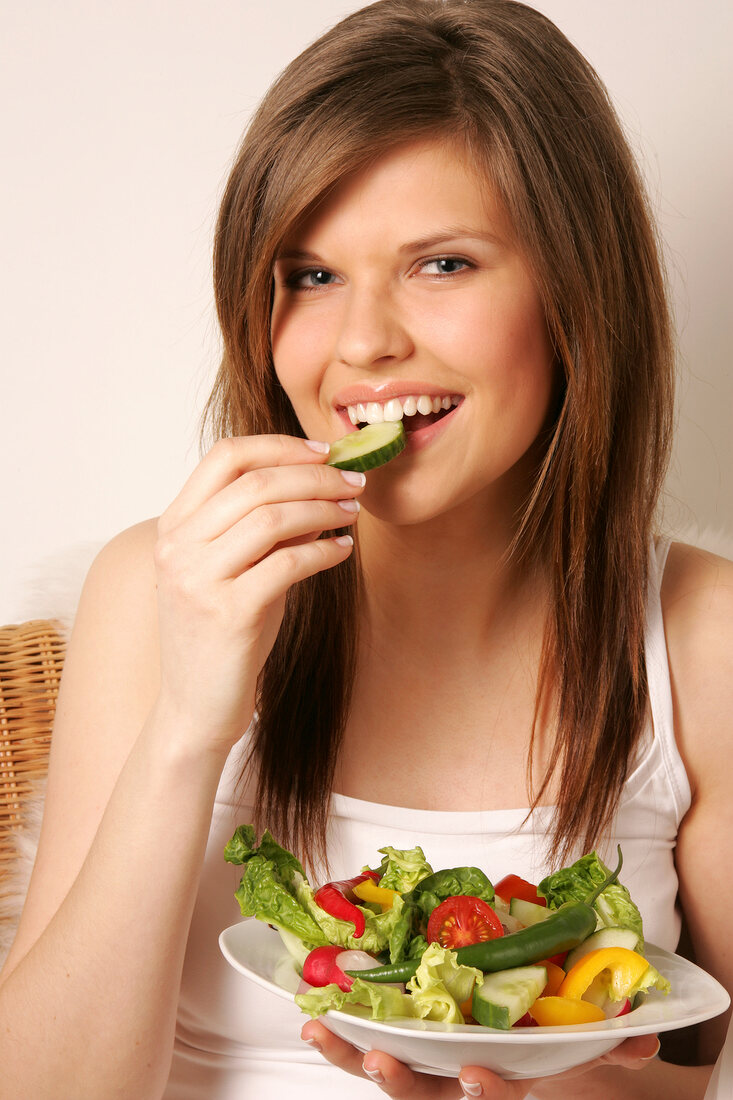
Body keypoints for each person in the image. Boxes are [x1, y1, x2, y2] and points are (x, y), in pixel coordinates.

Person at [0, 1, 731, 1097]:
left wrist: (552, 1083)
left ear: (575, 293)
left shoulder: (701, 635)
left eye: (441, 264)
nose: (360, 344)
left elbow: (698, 1069)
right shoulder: (157, 586)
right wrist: (190, 724)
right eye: (309, 274)